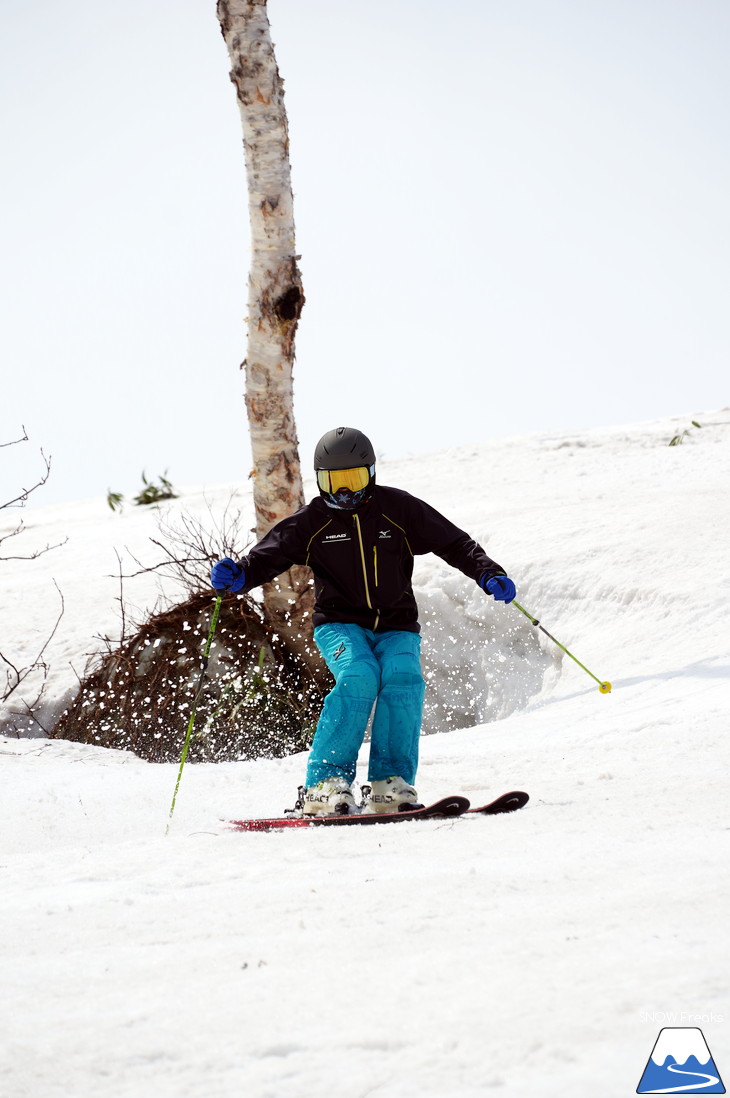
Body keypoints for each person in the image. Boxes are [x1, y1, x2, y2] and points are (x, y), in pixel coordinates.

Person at [210, 427, 516, 816]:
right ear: (320, 482)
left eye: (353, 480)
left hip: (397, 624)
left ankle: (390, 785)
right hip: (339, 623)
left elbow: (452, 542)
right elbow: (268, 555)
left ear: (370, 474)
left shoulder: (398, 509)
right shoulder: (313, 521)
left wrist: (486, 572)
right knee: (359, 675)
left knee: (403, 677)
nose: (345, 492)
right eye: (333, 482)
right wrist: (238, 576)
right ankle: (325, 785)